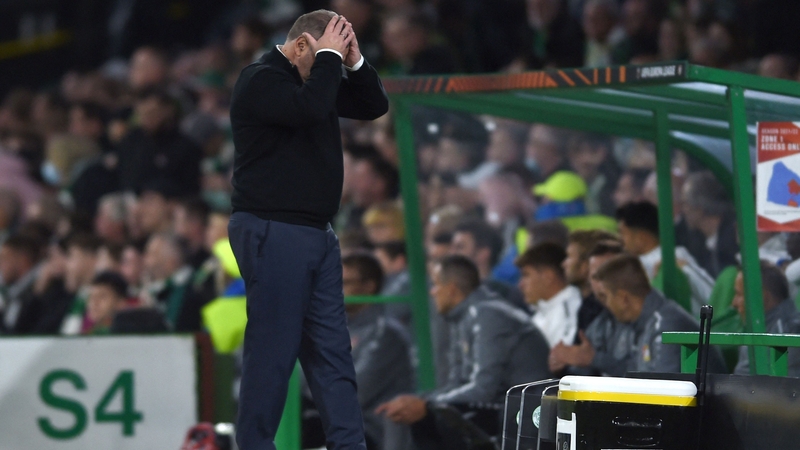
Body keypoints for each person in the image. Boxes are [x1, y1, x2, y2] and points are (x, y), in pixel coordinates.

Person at [228, 10, 389, 450]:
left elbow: (374, 106)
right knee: (273, 355)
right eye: (324, 55)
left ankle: (349, 445)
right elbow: (310, 108)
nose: (330, 66)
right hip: (272, 229)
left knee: (333, 354)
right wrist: (329, 63)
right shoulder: (260, 79)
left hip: (316, 234)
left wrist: (353, 62)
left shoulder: (316, 77)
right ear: (301, 46)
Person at [376, 255, 550, 448]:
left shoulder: (487, 315)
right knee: (412, 415)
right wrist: (422, 401)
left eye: (435, 285)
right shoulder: (465, 317)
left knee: (426, 417)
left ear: (451, 289)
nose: (432, 293)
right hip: (502, 410)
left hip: (527, 416)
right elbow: (458, 382)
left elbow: (484, 389)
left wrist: (426, 406)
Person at [591, 254, 725, 373]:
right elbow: (635, 372)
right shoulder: (645, 323)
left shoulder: (665, 325)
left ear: (623, 298)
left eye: (606, 296)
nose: (606, 304)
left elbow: (663, 390)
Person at [616, 201, 715, 315]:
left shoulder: (672, 259)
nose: (620, 239)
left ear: (641, 237)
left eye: (623, 233)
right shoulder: (677, 255)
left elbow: (710, 295)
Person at [732, 261, 800, 377]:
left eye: (739, 294)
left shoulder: (792, 331)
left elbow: (788, 391)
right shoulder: (756, 328)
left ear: (761, 296)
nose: (734, 303)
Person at [516, 242, 583, 348]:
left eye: (526, 275)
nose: (520, 284)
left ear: (548, 277)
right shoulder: (540, 315)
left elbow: (563, 360)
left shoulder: (571, 310)